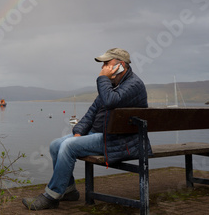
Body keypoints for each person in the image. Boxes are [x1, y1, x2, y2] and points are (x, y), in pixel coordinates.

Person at [22, 48, 150, 210]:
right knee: (56, 144)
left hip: (119, 140)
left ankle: (52, 196)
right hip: (101, 135)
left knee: (68, 147)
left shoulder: (134, 85)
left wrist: (102, 78)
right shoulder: (112, 84)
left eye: (106, 63)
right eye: (103, 64)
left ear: (121, 65)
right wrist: (78, 133)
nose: (103, 67)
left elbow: (111, 101)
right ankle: (69, 190)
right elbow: (92, 112)